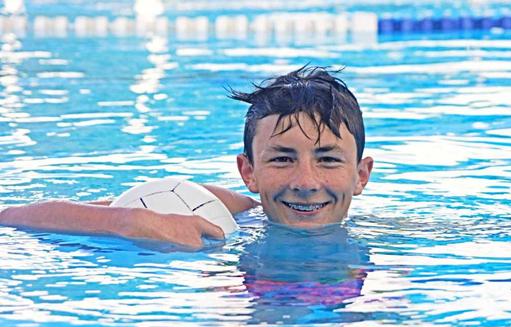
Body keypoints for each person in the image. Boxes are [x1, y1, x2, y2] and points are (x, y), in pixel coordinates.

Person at [0, 66, 374, 250]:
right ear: (249, 172)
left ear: (360, 175)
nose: (305, 182)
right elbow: (13, 217)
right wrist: (129, 220)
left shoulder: (393, 239)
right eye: (281, 159)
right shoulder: (226, 211)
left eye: (327, 160)